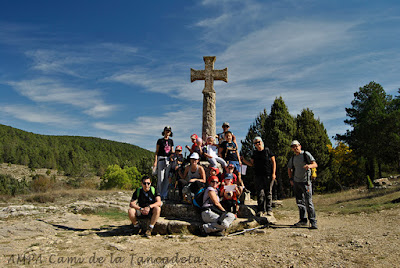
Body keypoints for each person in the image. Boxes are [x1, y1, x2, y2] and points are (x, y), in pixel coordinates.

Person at [241, 137, 276, 217]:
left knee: (268, 192)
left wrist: (273, 173)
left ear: (262, 142)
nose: (257, 144)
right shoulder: (254, 153)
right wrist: (244, 161)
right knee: (260, 193)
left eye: (258, 142)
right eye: (255, 143)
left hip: (268, 174)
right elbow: (251, 164)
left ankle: (269, 209)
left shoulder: (267, 151)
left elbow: (274, 162)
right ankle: (261, 210)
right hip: (258, 175)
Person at [287, 140, 318, 229]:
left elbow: (315, 164)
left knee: (309, 202)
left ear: (300, 146)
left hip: (306, 182)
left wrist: (309, 166)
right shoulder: (293, 158)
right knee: (300, 202)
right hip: (297, 182)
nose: (295, 148)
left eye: (296, 146)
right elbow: (289, 168)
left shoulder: (306, 154)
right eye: (293, 147)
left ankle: (313, 221)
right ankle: (303, 220)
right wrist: (291, 179)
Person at [153, 126, 174, 200]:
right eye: (166, 131)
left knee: (166, 179)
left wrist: (173, 157)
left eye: (169, 131)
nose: (167, 132)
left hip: (168, 160)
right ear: (164, 131)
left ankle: (164, 194)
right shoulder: (160, 140)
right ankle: (159, 194)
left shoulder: (171, 141)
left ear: (170, 132)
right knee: (160, 178)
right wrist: (155, 162)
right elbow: (157, 152)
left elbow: (172, 151)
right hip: (161, 159)